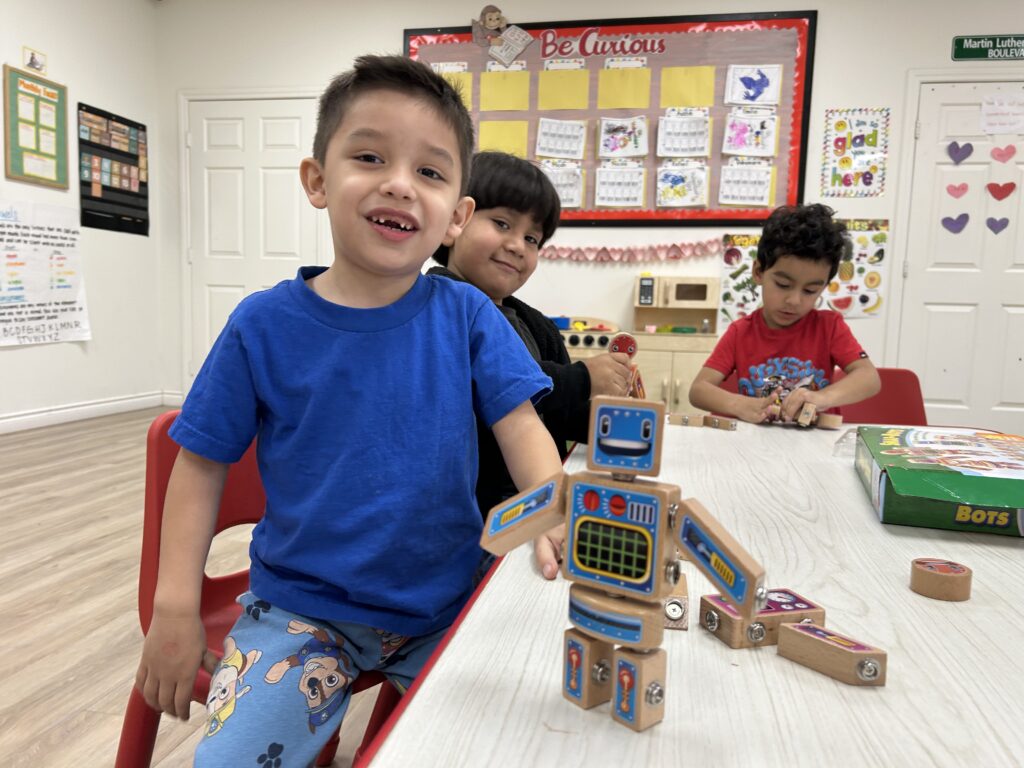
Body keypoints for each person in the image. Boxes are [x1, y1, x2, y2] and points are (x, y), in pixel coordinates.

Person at [134, 55, 565, 767]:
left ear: (455, 216)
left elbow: (521, 426)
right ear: (318, 180)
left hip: (445, 605)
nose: (399, 182)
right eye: (370, 156)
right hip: (300, 616)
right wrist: (175, 604)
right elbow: (201, 464)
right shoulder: (262, 325)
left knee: (529, 737)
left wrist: (548, 509)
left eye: (430, 172)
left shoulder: (466, 315)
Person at [428, 151, 632, 514]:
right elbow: (495, 388)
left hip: (538, 496)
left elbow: (562, 414)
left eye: (533, 239)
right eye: (502, 224)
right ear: (455, 221)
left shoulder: (536, 326)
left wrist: (618, 423)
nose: (517, 246)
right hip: (478, 510)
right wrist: (583, 378)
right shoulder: (437, 306)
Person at [689, 203, 881, 423]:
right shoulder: (740, 332)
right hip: (757, 447)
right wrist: (740, 405)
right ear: (759, 272)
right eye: (782, 284)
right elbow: (698, 390)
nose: (794, 300)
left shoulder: (829, 327)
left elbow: (869, 378)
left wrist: (821, 398)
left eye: (810, 291)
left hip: (815, 446)